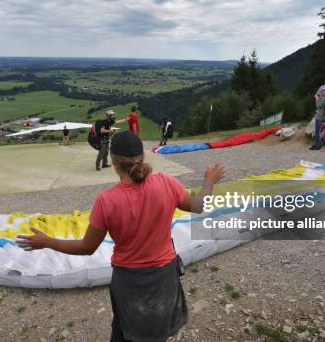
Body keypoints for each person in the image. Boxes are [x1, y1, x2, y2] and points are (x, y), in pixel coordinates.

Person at [16, 131, 226, 342]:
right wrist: (209, 181)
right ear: (142, 157)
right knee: (158, 329)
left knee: (125, 329)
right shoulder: (166, 183)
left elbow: (86, 248)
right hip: (165, 276)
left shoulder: (106, 201)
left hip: (129, 280)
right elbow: (198, 206)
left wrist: (47, 241)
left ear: (113, 160)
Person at [310, 84, 325, 151]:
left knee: (317, 131)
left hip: (320, 116)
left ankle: (317, 146)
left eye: (324, 90)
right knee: (318, 131)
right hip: (324, 116)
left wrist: (317, 98)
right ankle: (318, 144)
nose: (323, 91)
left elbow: (318, 105)